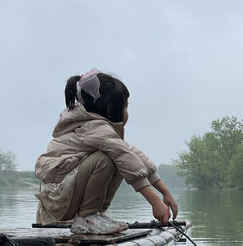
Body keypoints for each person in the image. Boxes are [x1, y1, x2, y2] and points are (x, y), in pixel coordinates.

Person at [35, 69, 178, 235]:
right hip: (57, 199)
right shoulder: (93, 128)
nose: (127, 112)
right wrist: (155, 202)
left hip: (62, 195)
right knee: (109, 158)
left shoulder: (100, 130)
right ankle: (88, 217)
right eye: (126, 106)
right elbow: (124, 157)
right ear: (112, 108)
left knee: (121, 157)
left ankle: (95, 216)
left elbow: (133, 157)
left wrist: (165, 193)